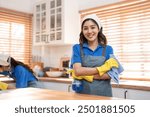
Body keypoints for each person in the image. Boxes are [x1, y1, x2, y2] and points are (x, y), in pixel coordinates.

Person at [70, 14, 121, 97]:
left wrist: (85, 74)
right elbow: (78, 71)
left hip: (104, 96)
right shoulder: (77, 48)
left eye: (93, 27)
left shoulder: (108, 49)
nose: (89, 31)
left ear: (99, 29)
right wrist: (102, 69)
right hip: (82, 96)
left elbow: (110, 75)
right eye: (85, 28)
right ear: (82, 31)